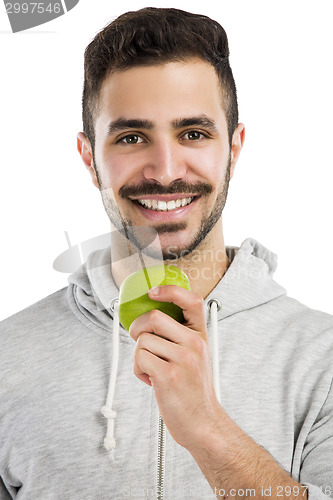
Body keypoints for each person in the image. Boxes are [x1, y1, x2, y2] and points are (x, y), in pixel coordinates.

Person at [0, 7, 332, 500]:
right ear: (90, 157)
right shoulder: (8, 358)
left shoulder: (321, 358)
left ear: (234, 150)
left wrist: (209, 430)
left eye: (193, 134)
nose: (165, 169)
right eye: (132, 137)